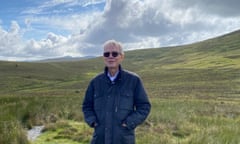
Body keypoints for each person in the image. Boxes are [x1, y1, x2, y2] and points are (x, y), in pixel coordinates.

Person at [82, 40, 151, 144]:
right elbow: (87, 106)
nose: (110, 56)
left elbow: (144, 107)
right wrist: (93, 121)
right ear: (103, 57)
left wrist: (128, 123)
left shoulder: (133, 80)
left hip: (123, 139)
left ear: (122, 57)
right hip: (100, 139)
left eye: (114, 53)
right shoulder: (95, 82)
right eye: (107, 54)